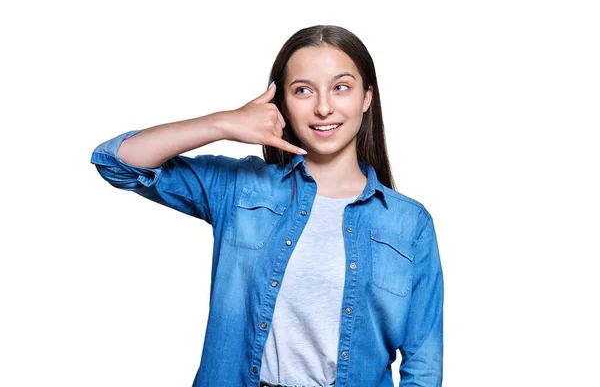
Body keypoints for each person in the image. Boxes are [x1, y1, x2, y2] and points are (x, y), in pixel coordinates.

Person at [90, 24, 443, 387]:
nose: (323, 107)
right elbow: (117, 162)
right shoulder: (241, 189)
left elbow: (423, 363)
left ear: (366, 98)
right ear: (283, 104)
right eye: (303, 90)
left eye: (341, 88)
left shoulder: (408, 224)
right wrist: (224, 123)